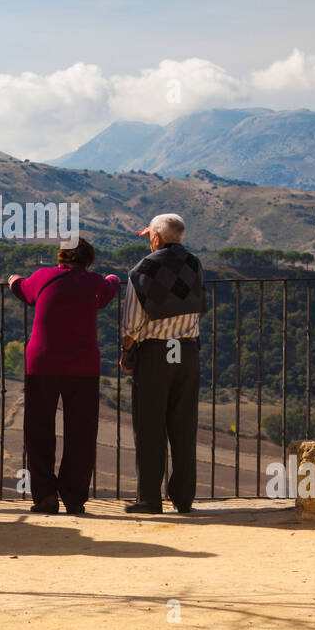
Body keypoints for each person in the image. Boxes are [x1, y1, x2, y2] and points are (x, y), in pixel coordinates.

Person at [8, 238, 120, 515]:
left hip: (42, 364)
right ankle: (74, 497)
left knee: (38, 431)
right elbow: (110, 289)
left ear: (60, 258)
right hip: (83, 366)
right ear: (87, 261)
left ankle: (45, 495)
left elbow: (21, 288)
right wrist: (114, 277)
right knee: (81, 433)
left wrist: (13, 279)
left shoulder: (43, 277)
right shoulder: (94, 282)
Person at [119, 214, 204, 514]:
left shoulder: (142, 270)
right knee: (183, 426)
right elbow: (172, 267)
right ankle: (183, 498)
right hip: (186, 352)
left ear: (154, 237)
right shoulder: (194, 264)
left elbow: (131, 324)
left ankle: (149, 498)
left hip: (156, 354)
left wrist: (127, 351)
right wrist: (158, 240)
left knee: (150, 426)